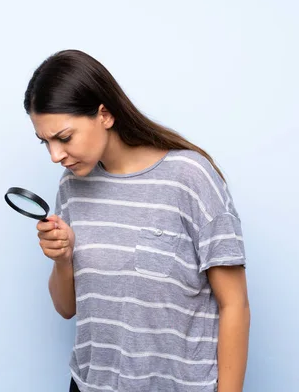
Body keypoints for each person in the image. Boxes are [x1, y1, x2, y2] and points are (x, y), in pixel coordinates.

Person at [24, 49, 250, 392]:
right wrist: (63, 260)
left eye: (64, 137)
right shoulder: (72, 186)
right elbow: (67, 308)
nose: (56, 156)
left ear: (105, 114)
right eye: (46, 142)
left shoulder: (190, 177)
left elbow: (235, 304)